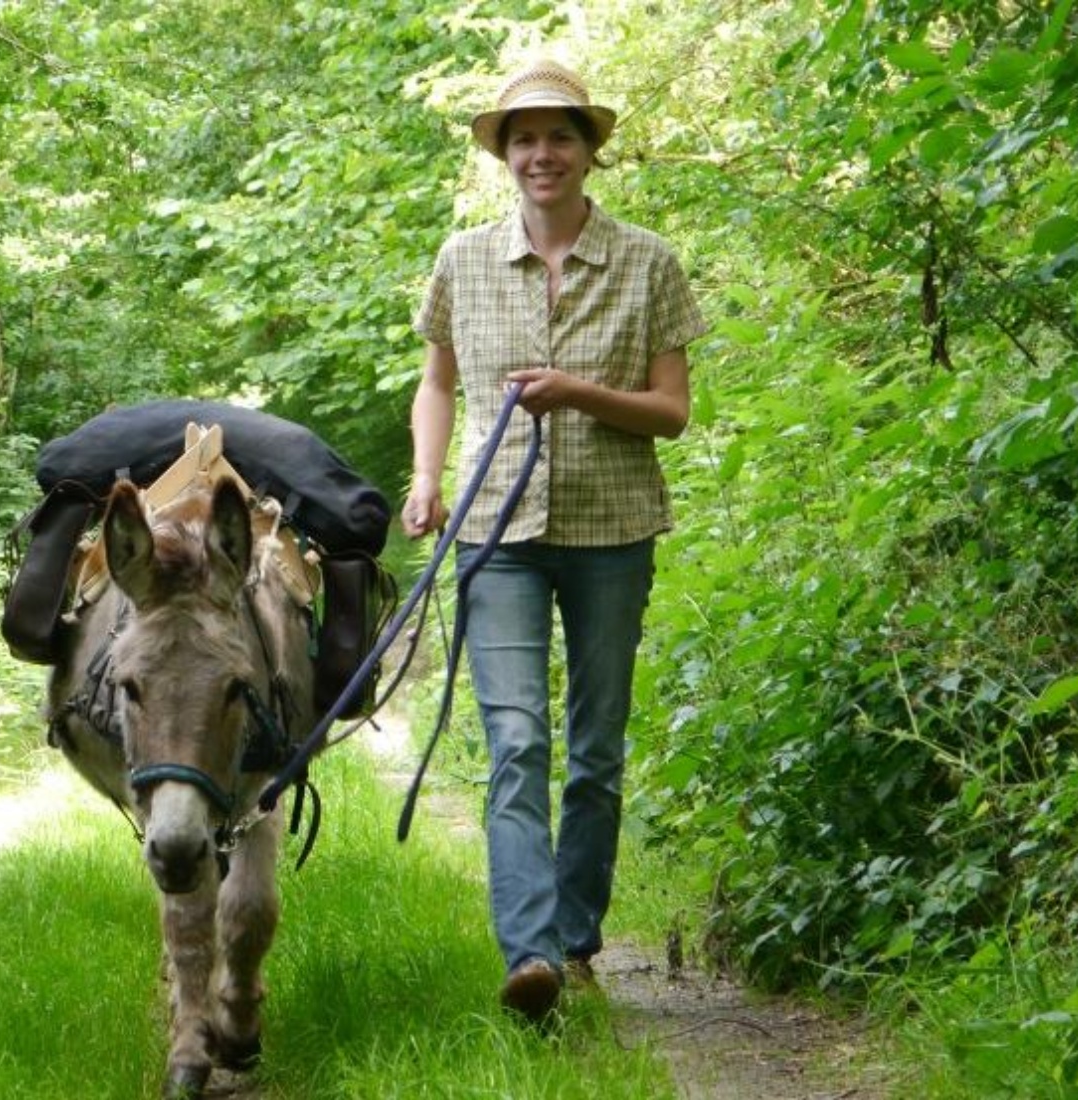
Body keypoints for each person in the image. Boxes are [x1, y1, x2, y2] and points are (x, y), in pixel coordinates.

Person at [402, 59, 708, 1023]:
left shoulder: (650, 261)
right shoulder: (462, 259)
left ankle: (576, 942)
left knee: (595, 746)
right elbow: (439, 382)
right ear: (504, 154)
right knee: (516, 739)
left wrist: (577, 393)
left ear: (589, 150)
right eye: (524, 138)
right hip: (497, 534)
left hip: (615, 530)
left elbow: (672, 413)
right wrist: (425, 479)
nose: (543, 154)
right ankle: (529, 952)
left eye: (560, 136)